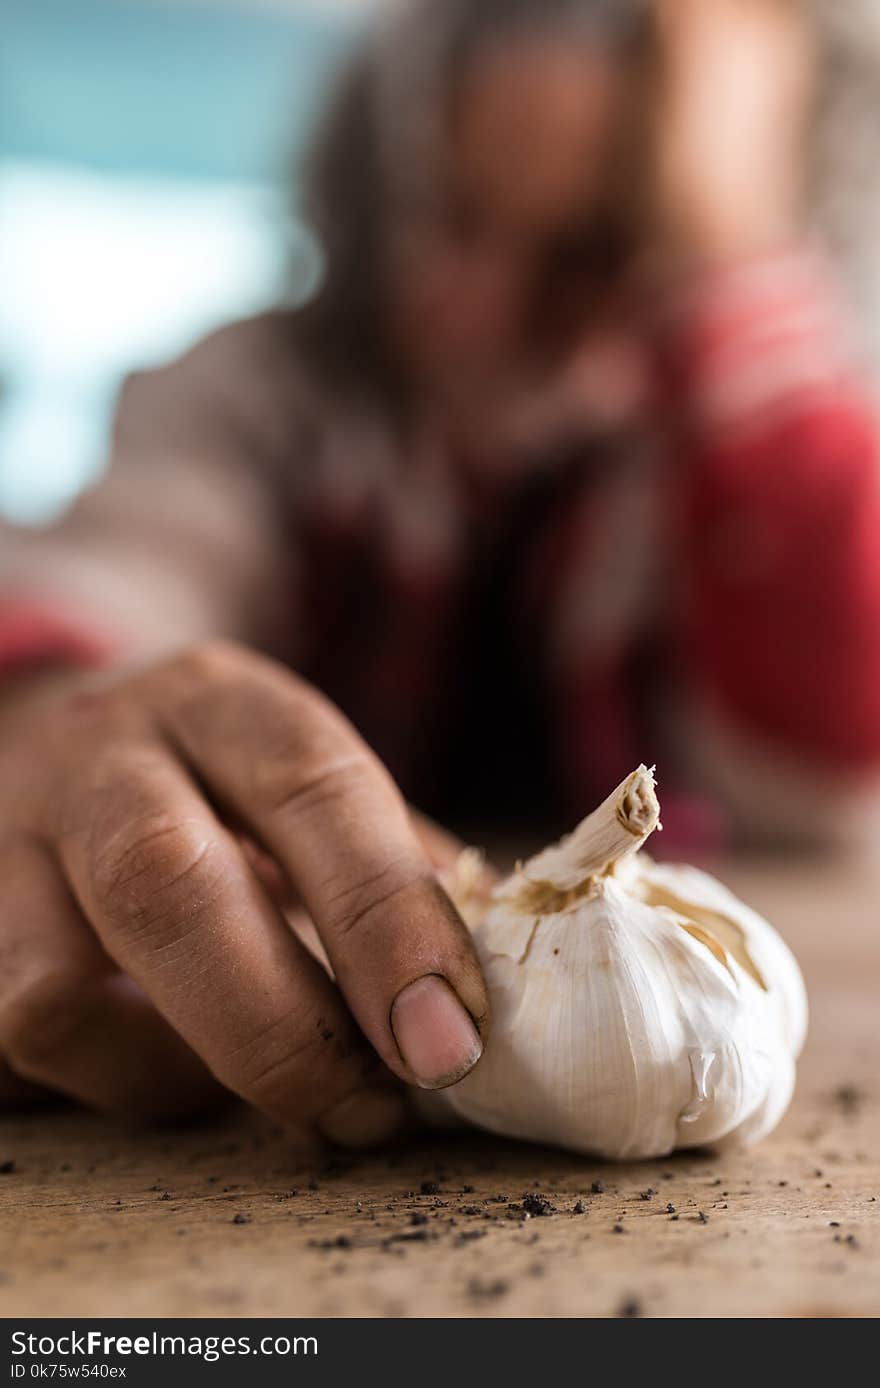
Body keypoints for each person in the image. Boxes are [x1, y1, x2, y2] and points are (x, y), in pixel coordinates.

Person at [1, 0, 878, 1139]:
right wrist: (48, 720)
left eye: (589, 254)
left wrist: (736, 260)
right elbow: (108, 584)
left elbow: (824, 766)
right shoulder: (253, 396)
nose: (487, 309)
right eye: (457, 219)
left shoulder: (728, 443)